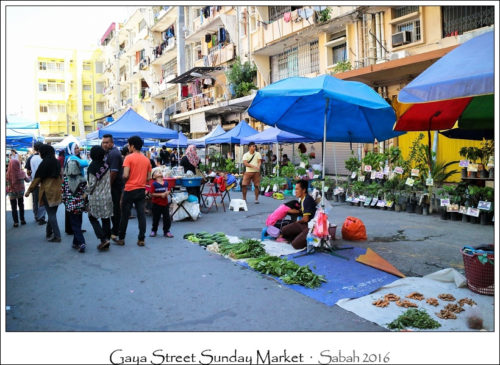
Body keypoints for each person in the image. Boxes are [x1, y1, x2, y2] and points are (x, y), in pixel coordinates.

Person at [114, 135, 152, 247]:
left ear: (133, 146)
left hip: (129, 189)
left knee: (125, 215)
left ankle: (121, 238)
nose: (128, 146)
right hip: (141, 189)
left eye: (128, 144)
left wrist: (125, 179)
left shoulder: (128, 158)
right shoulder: (146, 160)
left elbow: (125, 175)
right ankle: (141, 239)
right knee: (141, 214)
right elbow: (149, 177)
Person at [25, 144, 62, 242]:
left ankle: (57, 236)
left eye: (40, 152)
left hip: (48, 192)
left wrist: (29, 191)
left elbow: (37, 179)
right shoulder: (57, 162)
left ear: (44, 153)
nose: (40, 154)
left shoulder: (44, 163)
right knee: (52, 214)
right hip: (57, 191)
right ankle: (49, 232)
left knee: (51, 214)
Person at [276, 180, 317, 249]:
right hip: (304, 224)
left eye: (297, 189)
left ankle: (306, 239)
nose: (295, 191)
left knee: (295, 245)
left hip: (311, 226)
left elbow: (305, 219)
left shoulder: (307, 200)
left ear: (304, 190)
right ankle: (298, 236)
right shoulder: (302, 199)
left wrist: (297, 222)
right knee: (284, 229)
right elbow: (301, 212)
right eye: (295, 189)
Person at [87, 146, 113, 251]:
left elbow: (91, 184)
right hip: (107, 196)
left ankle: (103, 239)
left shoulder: (92, 167)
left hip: (96, 198)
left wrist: (85, 193)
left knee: (92, 217)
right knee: (106, 218)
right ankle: (106, 239)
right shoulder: (106, 166)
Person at [62, 157, 87, 253]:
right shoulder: (82, 180)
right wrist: (85, 204)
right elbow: (85, 194)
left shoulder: (65, 180)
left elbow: (63, 194)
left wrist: (66, 203)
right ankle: (75, 243)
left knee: (74, 225)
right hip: (80, 205)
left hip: (70, 206)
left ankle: (81, 242)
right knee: (78, 223)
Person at [101, 134, 124, 240]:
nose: (104, 144)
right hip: (112, 185)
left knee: (115, 208)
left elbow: (114, 172)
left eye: (106, 142)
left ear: (111, 143)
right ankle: (115, 229)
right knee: (112, 208)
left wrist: (107, 186)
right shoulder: (108, 153)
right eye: (103, 142)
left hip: (115, 185)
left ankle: (116, 230)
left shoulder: (114, 153)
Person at [64, 142, 88, 235]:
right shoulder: (70, 158)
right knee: (74, 209)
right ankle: (73, 229)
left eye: (78, 148)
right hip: (74, 186)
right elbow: (85, 163)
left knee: (75, 209)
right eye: (75, 148)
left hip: (77, 185)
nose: (78, 149)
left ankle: (75, 229)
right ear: (70, 150)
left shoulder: (73, 158)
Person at [25, 142, 47, 224]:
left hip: (35, 182)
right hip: (44, 182)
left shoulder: (31, 158)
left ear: (34, 149)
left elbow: (28, 172)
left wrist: (32, 175)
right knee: (42, 200)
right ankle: (42, 217)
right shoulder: (45, 157)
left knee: (35, 200)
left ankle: (36, 216)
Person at [149, 168, 173, 238]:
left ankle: (167, 231)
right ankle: (154, 230)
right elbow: (151, 194)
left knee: (167, 218)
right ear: (154, 176)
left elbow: (169, 190)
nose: (159, 172)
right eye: (157, 172)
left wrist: (167, 193)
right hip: (156, 204)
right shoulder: (154, 184)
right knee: (156, 218)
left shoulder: (166, 183)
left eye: (160, 171)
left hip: (165, 204)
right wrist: (161, 195)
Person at [6, 159, 30, 227]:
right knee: (21, 205)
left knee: (13, 207)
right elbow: (28, 180)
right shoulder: (22, 173)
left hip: (11, 192)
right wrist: (31, 176)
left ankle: (16, 222)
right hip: (20, 192)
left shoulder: (7, 174)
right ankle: (22, 220)